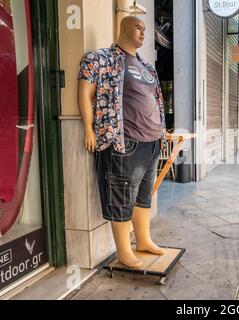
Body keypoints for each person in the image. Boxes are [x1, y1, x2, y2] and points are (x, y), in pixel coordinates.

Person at [78, 16, 167, 268]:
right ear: (123, 28)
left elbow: (155, 100)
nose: (142, 33)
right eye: (137, 27)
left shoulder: (147, 67)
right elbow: (85, 92)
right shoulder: (100, 59)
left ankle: (144, 239)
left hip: (152, 140)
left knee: (143, 196)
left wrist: (162, 130)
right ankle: (123, 251)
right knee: (122, 196)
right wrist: (88, 128)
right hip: (123, 141)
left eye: (144, 29)